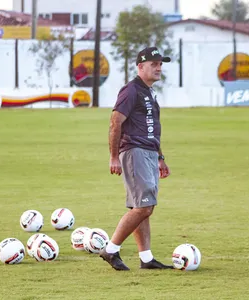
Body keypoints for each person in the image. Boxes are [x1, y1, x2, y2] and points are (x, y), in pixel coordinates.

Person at [99, 47, 173, 271]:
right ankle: (110, 249)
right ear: (140, 67)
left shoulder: (148, 92)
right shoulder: (131, 90)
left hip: (149, 152)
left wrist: (160, 157)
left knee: (140, 206)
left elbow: (152, 128)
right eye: (154, 64)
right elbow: (115, 122)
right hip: (134, 151)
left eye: (160, 63)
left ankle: (146, 258)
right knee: (144, 206)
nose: (159, 67)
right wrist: (113, 156)